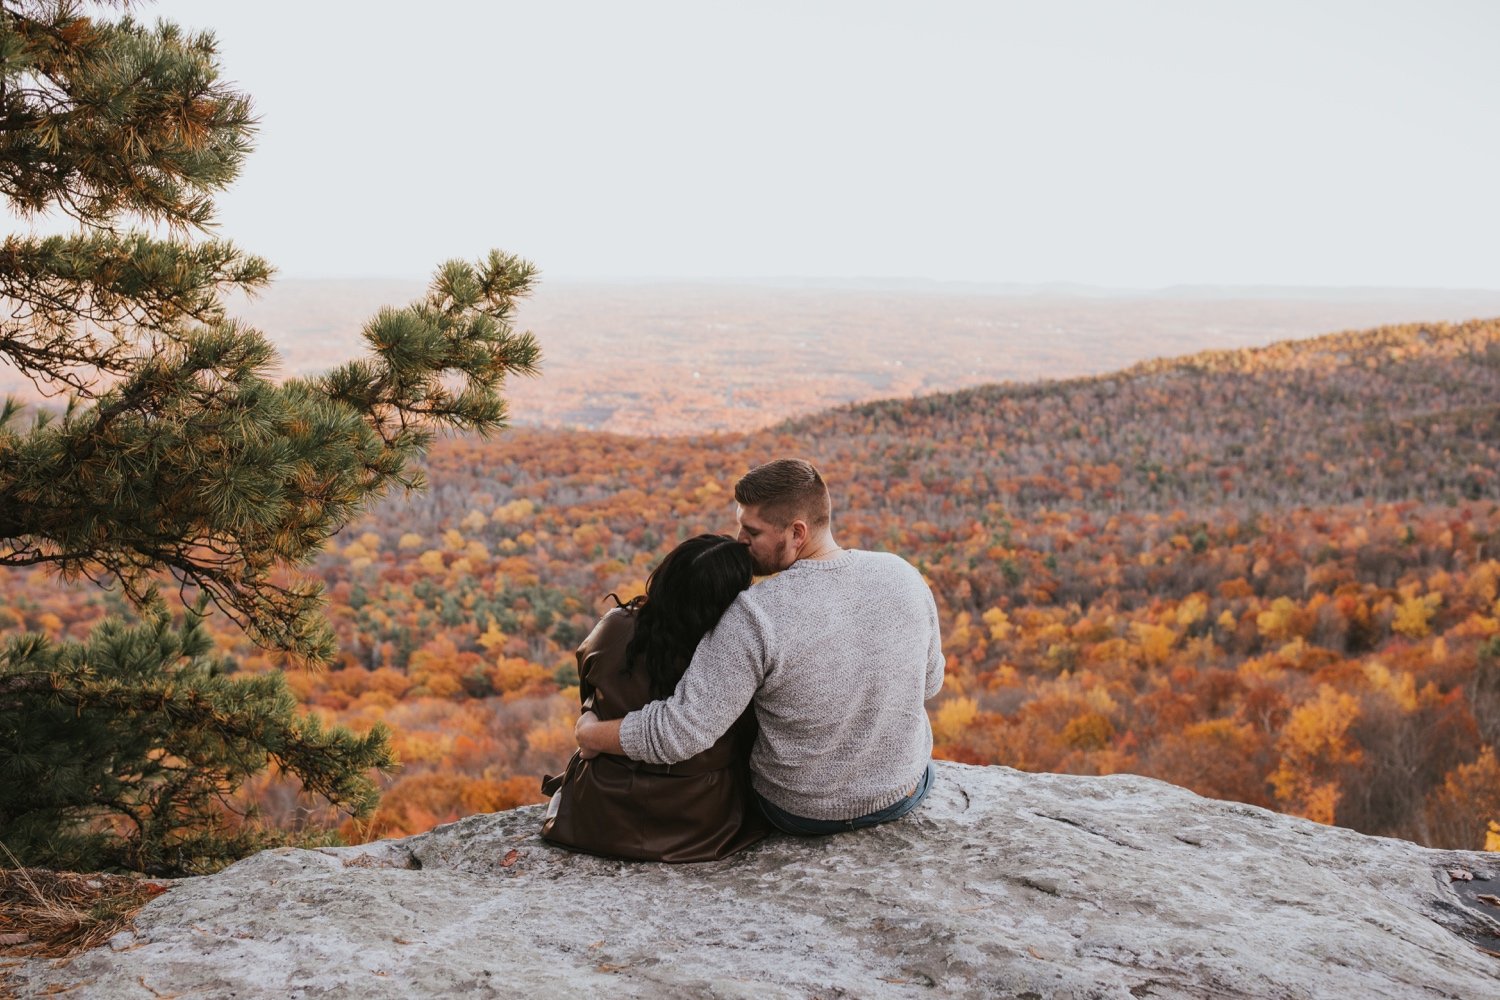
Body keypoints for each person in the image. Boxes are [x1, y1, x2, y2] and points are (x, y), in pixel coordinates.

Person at [575, 458, 944, 836]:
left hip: (800, 811)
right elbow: (930, 684)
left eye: (752, 531)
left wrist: (590, 735)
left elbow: (681, 732)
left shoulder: (755, 613)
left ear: (797, 533)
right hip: (903, 791)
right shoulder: (903, 574)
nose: (740, 541)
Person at [540, 534, 770, 861]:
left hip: (601, 812)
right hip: (702, 821)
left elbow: (590, 693)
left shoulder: (615, 629)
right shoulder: (730, 653)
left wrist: (591, 732)